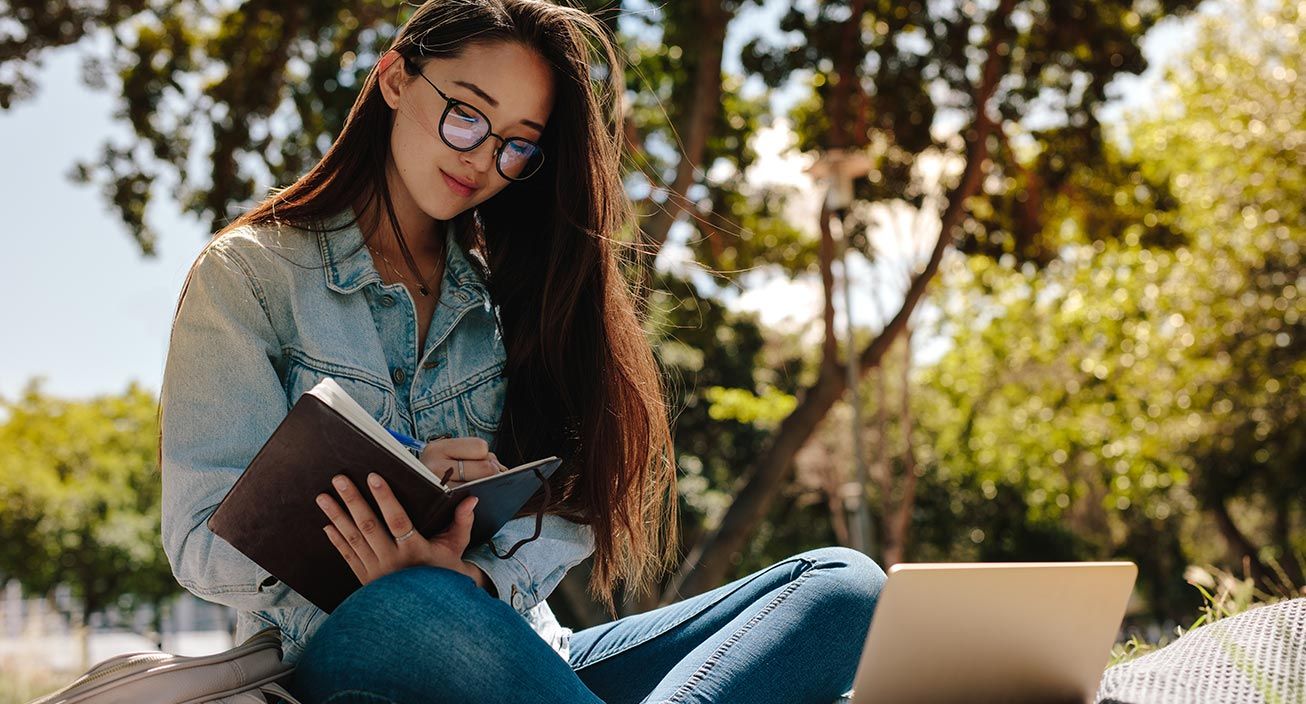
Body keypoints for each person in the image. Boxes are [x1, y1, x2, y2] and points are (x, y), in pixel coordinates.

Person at [158, 1, 886, 702]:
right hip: (354, 648)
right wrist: (390, 537)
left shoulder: (514, 293)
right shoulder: (250, 273)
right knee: (414, 599)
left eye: (517, 143)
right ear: (393, 78)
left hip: (527, 652)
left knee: (844, 585)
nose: (482, 159)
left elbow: (563, 508)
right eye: (467, 114)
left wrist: (471, 579)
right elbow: (198, 539)